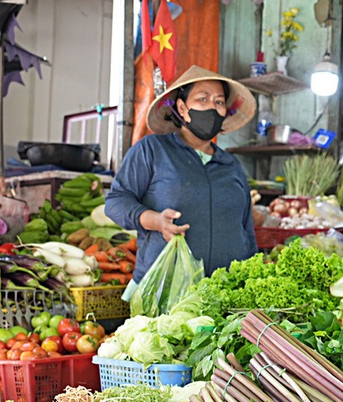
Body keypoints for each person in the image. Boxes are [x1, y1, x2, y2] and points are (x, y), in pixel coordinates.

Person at [106, 65, 259, 284]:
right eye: (202, 99)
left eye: (219, 102)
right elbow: (116, 202)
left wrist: (252, 278)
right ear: (182, 108)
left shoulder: (231, 165)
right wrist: (155, 221)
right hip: (165, 289)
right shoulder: (152, 150)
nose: (212, 108)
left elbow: (246, 230)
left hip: (227, 293)